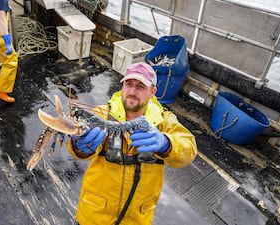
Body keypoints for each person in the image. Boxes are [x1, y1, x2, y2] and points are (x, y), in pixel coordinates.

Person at [68, 62, 198, 225]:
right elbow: (81, 151)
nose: (132, 92)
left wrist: (166, 143)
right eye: (128, 84)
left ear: (153, 92)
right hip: (95, 215)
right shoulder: (102, 113)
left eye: (140, 87)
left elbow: (189, 149)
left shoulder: (165, 121)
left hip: (137, 219)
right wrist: (78, 144)